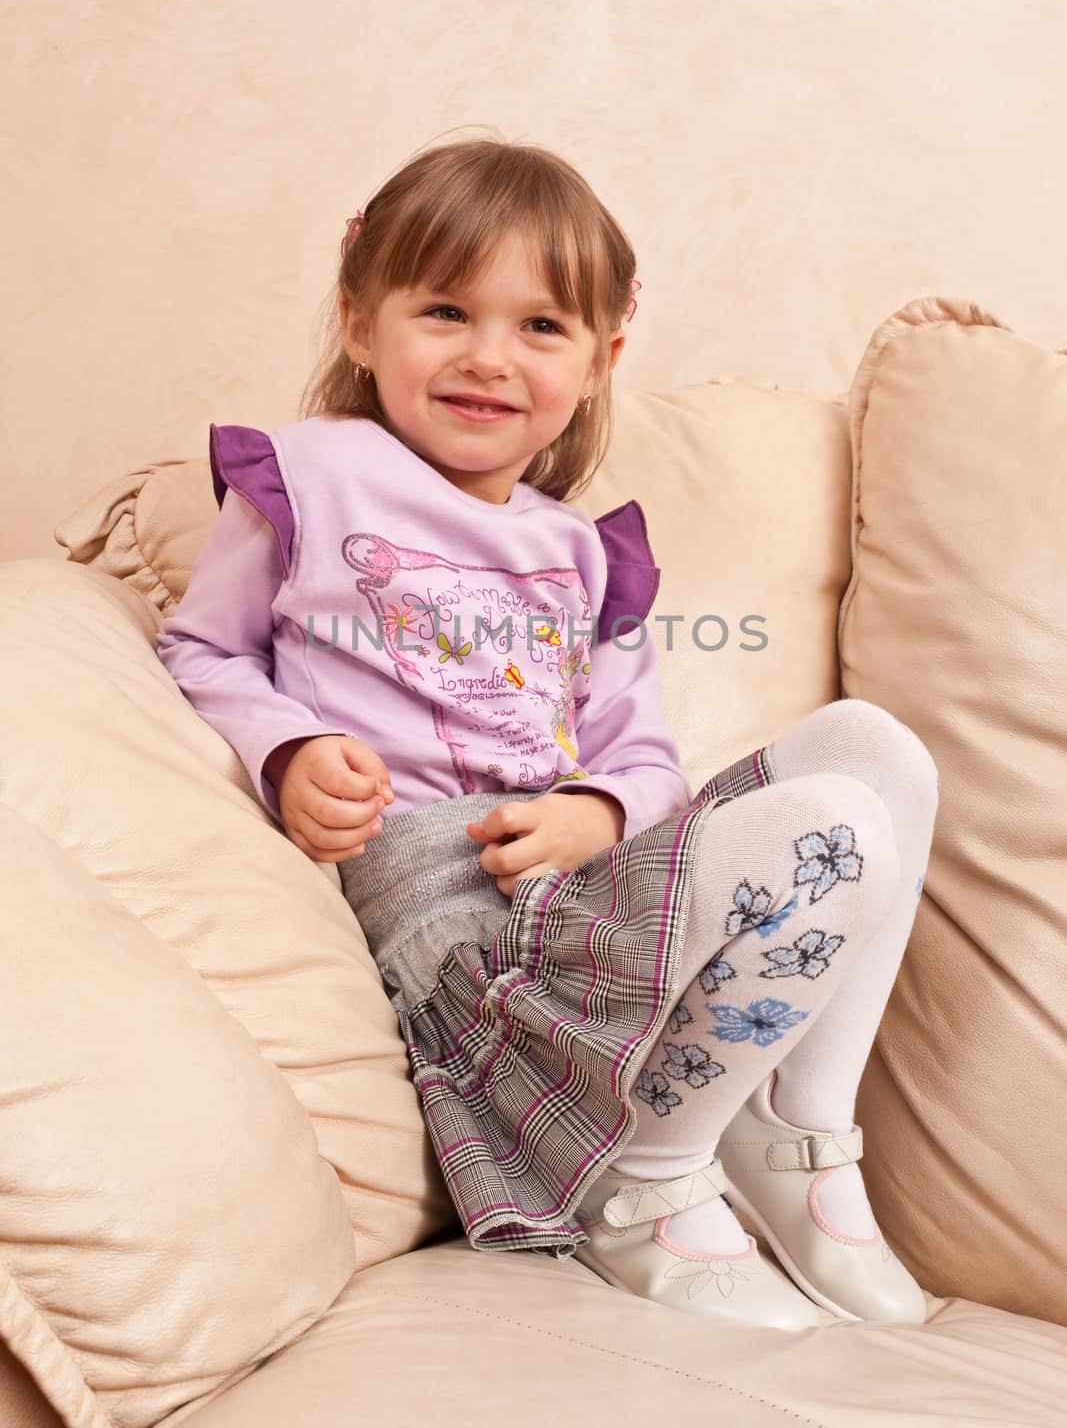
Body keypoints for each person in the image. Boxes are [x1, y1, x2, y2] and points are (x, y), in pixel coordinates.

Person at [155, 135, 940, 1332]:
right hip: (460, 932)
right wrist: (289, 750)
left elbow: (640, 757)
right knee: (825, 827)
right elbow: (203, 650)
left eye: (539, 327)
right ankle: (648, 1176)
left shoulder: (582, 553)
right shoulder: (310, 477)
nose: (486, 357)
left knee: (872, 755)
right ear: (361, 322)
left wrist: (599, 809)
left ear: (598, 357)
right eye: (445, 310)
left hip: (573, 894)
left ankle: (795, 1138)